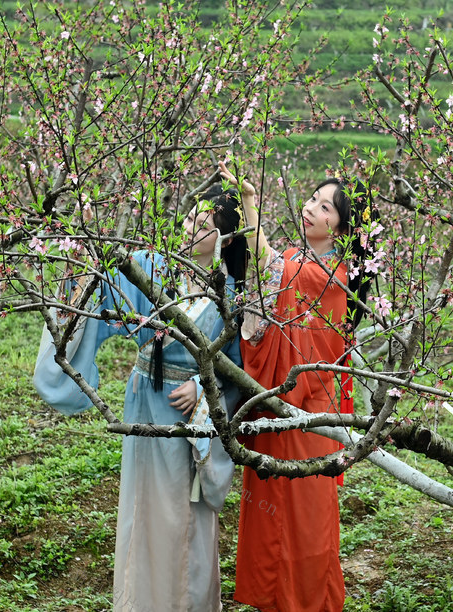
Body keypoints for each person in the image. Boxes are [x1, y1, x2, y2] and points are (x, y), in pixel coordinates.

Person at [33, 185, 247, 611]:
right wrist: (85, 249)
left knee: (186, 521)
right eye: (190, 218)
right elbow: (103, 290)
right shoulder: (154, 265)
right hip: (145, 406)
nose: (191, 228)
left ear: (223, 238)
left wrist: (206, 389)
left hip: (190, 425)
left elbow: (240, 373)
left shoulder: (232, 295)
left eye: (204, 225)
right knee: (142, 511)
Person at [221, 161, 376, 612]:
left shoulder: (332, 276)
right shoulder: (301, 260)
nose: (310, 209)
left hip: (309, 417)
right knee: (275, 514)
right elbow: (271, 271)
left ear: (344, 229)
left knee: (306, 523)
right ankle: (274, 600)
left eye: (325, 207)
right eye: (312, 199)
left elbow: (268, 263)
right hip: (280, 406)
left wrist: (249, 201)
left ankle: (306, 602)